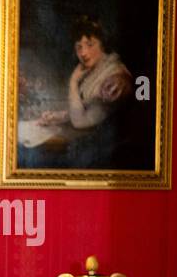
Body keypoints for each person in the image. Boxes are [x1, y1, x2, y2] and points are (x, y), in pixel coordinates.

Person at [30, 15, 138, 169]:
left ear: (102, 45)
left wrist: (73, 82)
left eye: (90, 44)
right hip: (90, 145)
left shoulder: (113, 78)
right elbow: (86, 105)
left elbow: (81, 122)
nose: (83, 53)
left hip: (105, 154)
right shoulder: (94, 69)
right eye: (79, 47)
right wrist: (60, 116)